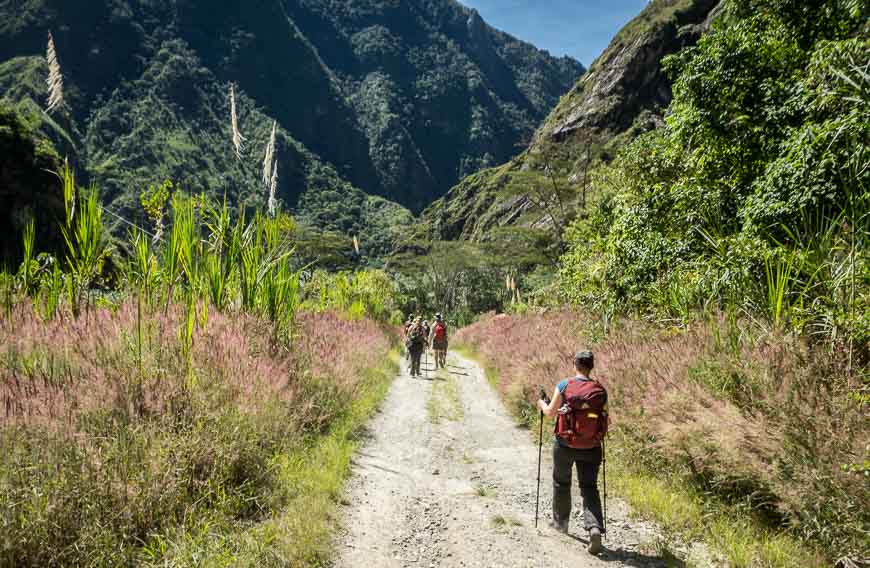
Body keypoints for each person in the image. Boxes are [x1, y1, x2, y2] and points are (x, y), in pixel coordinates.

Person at [537, 350, 608, 555]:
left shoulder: (564, 385)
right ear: (592, 365)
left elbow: (550, 413)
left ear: (574, 364)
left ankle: (560, 524)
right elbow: (607, 420)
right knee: (589, 487)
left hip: (565, 444)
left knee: (562, 482)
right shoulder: (600, 390)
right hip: (591, 447)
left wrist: (541, 403)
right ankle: (594, 529)